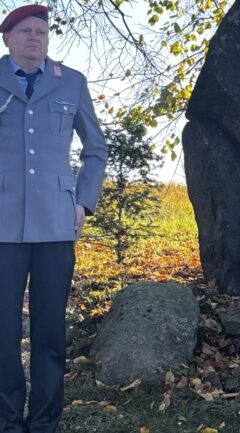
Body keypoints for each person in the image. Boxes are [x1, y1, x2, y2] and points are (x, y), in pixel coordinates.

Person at [0, 5, 107, 433]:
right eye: (25, 31)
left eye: (41, 31)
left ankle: (44, 422)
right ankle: (8, 421)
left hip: (56, 223)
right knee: (3, 332)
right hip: (2, 226)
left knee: (49, 330)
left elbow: (95, 148)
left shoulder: (72, 83)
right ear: (7, 39)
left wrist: (82, 201)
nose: (35, 37)